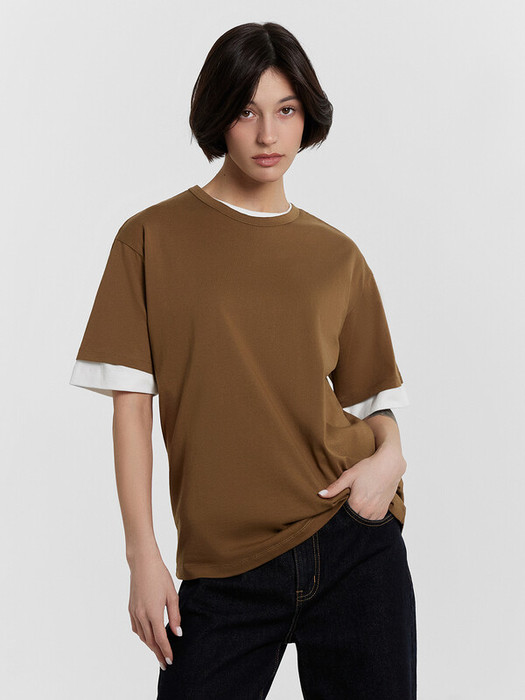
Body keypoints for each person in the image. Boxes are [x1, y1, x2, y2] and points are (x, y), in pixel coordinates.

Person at [70, 21, 417, 700]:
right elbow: (131, 412)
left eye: (285, 110)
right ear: (217, 116)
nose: (267, 135)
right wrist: (143, 556)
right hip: (224, 568)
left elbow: (370, 402)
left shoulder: (336, 256)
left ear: (306, 116)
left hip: (352, 541)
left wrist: (391, 460)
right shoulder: (149, 240)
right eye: (246, 111)